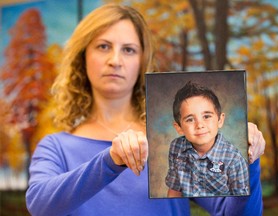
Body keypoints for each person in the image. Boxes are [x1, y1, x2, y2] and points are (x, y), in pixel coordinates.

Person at [25, 3, 265, 216]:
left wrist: (249, 162)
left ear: (141, 60)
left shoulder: (173, 141)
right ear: (82, 57)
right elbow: (40, 206)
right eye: (103, 46)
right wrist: (111, 160)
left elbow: (235, 213)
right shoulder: (56, 147)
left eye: (128, 49)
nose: (115, 60)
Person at [166, 81, 249, 197]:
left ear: (220, 120)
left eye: (206, 116)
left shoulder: (234, 159)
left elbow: (242, 202)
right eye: (190, 119)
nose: (200, 125)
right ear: (179, 127)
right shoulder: (176, 147)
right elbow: (174, 189)